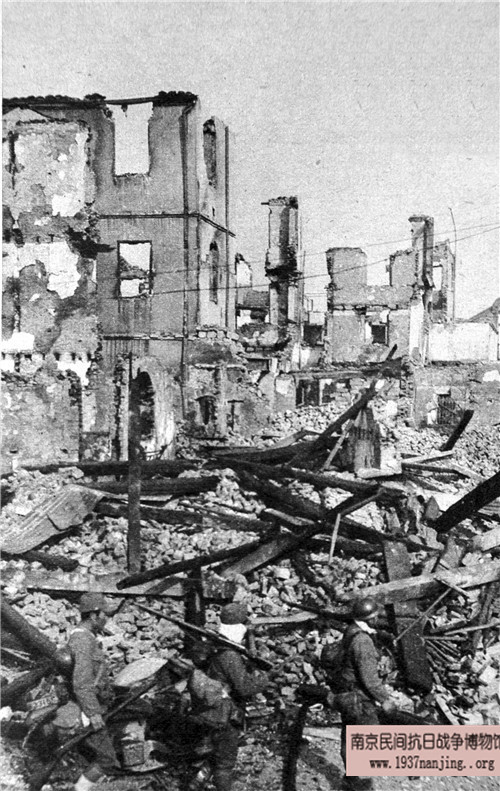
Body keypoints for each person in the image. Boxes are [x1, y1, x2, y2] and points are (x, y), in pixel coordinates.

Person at [199, 602, 269, 791]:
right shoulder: (230, 656)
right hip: (223, 714)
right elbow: (245, 688)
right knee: (225, 762)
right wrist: (265, 678)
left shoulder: (218, 647)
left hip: (215, 709)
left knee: (217, 755)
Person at [334, 597, 397, 791]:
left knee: (349, 738)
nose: (379, 619)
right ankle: (360, 784)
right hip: (359, 699)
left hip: (346, 696)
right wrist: (385, 700)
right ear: (371, 618)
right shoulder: (363, 641)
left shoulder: (352, 631)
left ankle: (351, 779)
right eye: (376, 616)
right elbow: (369, 679)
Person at [66, 592, 120, 791]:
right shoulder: (82, 640)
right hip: (86, 709)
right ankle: (78, 789)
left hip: (94, 704)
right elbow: (81, 682)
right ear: (94, 615)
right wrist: (93, 713)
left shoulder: (87, 637)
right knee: (107, 760)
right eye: (105, 614)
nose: (107, 619)